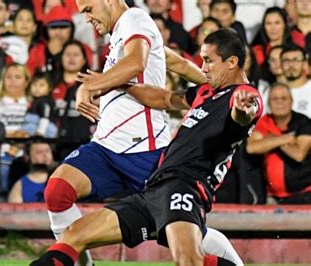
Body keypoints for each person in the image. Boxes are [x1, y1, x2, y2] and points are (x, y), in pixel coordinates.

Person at [32, 28, 261, 266]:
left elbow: (242, 117)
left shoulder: (244, 97)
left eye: (208, 61)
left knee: (188, 260)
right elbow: (163, 99)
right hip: (155, 187)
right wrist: (118, 84)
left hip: (185, 185)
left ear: (232, 62)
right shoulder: (206, 92)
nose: (202, 69)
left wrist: (243, 110)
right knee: (74, 235)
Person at [246, 82, 311, 204]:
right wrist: (285, 139)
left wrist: (270, 139)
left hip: (305, 195)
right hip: (274, 198)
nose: (279, 102)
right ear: (269, 103)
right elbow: (252, 147)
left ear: (291, 101)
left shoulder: (304, 122)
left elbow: (298, 154)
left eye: (283, 98)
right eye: (274, 98)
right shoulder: (264, 122)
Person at [280, 44, 311, 118]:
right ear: (281, 64)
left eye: (296, 60)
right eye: (286, 61)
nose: (291, 65)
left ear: (304, 63)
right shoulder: (272, 92)